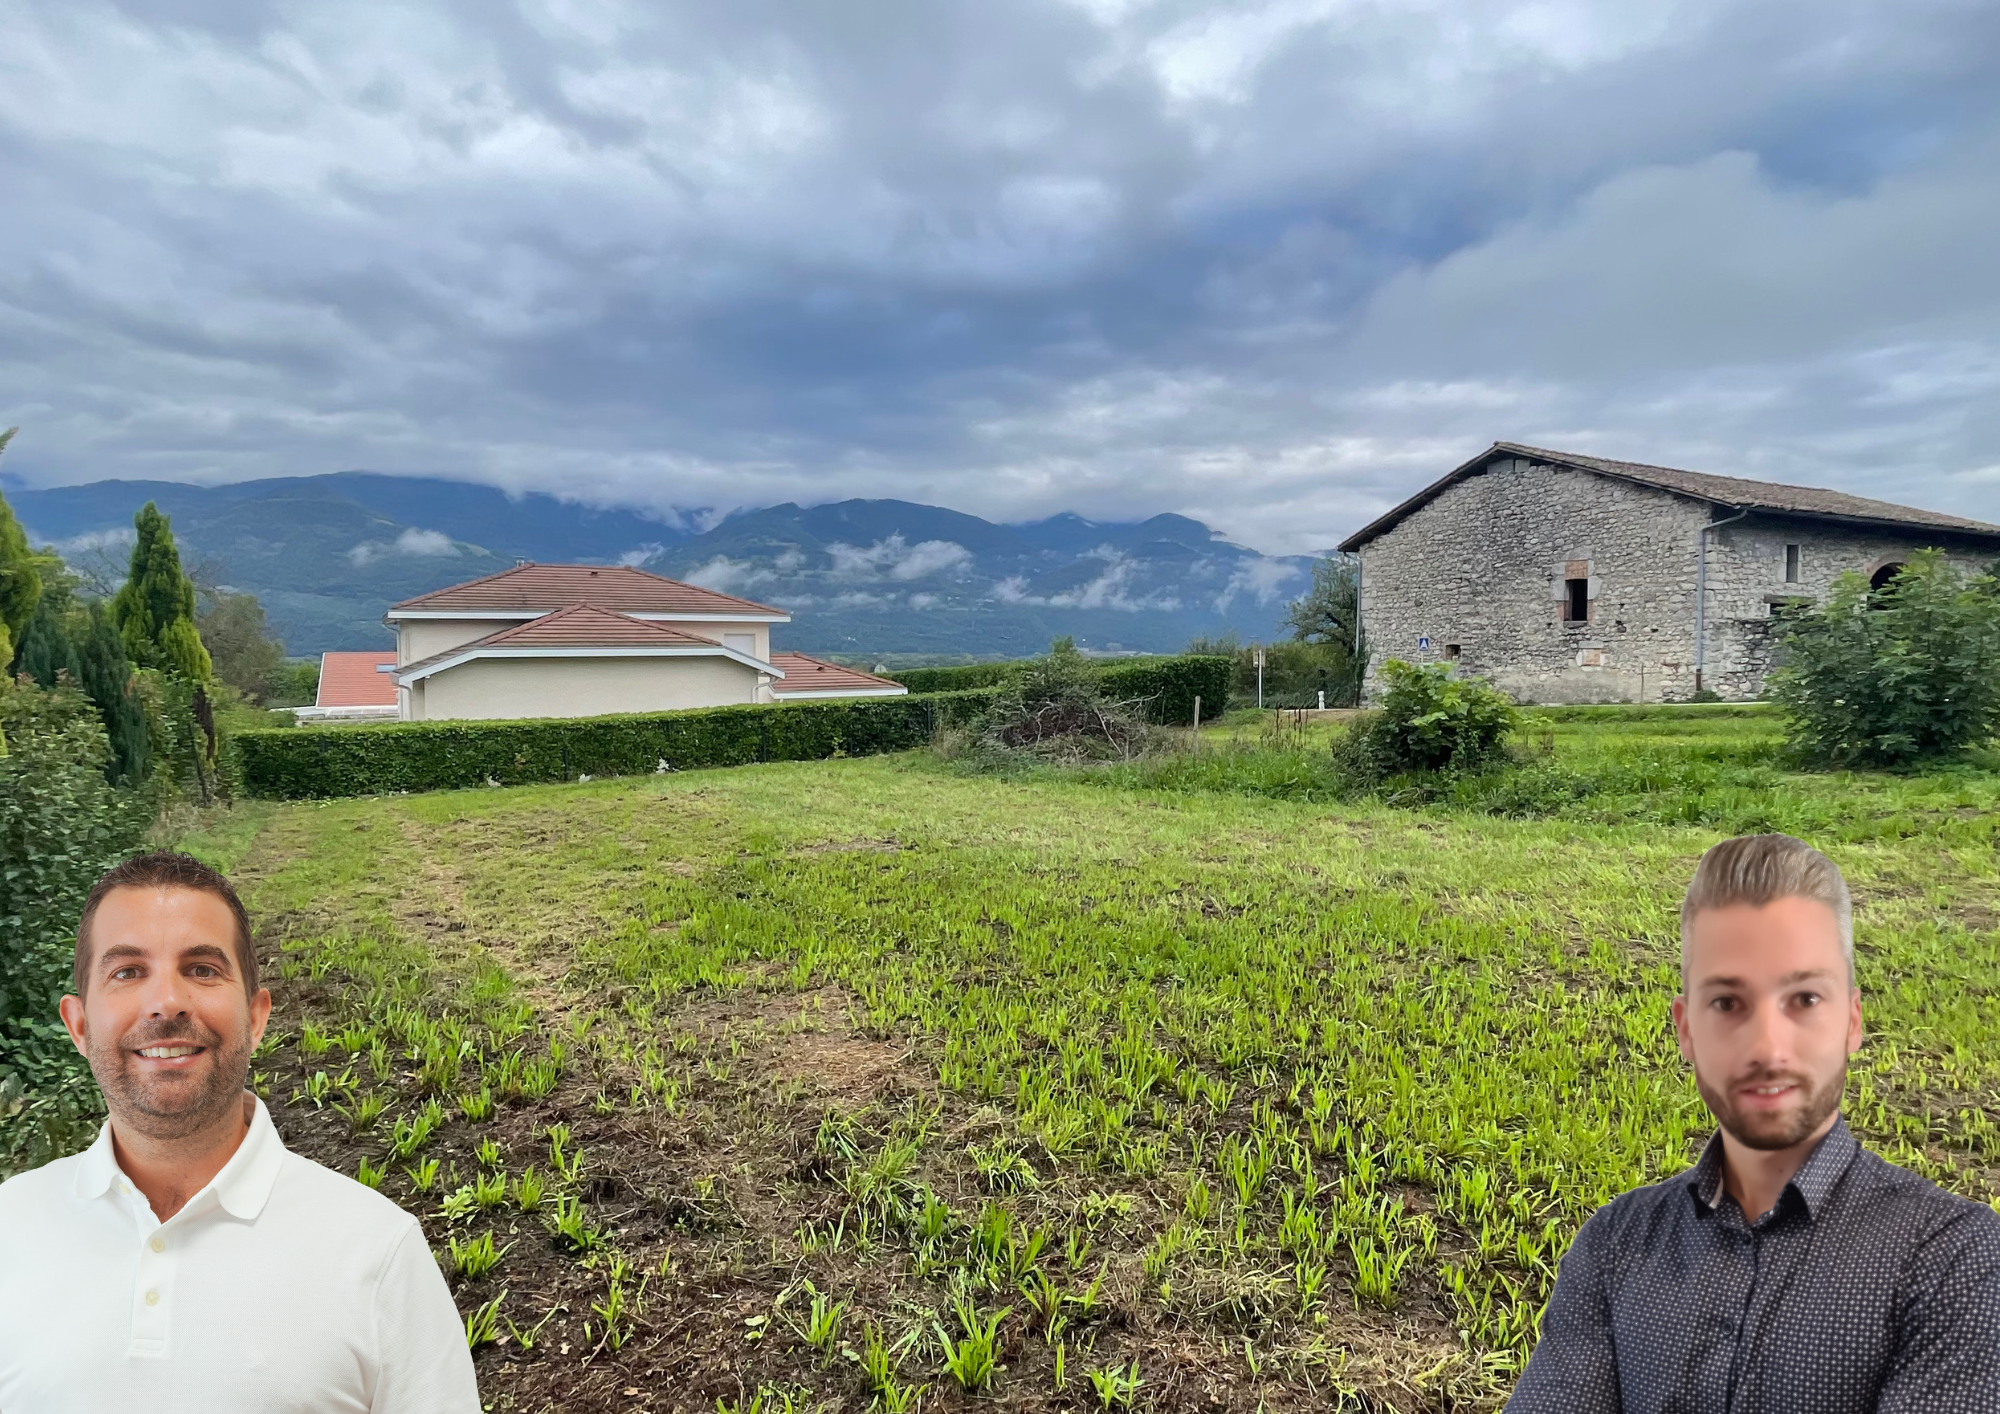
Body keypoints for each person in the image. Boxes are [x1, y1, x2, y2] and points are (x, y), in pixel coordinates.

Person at [1508, 832, 2000, 1412]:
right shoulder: (1614, 1246)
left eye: (1805, 999)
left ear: (1852, 1020)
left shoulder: (1956, 1260)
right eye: (1727, 1003)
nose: (1768, 1048)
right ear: (1686, 1029)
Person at [0, 850, 479, 1412]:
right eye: (127, 971)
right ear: (79, 1025)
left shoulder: (379, 1254)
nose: (166, 1003)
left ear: (255, 1017)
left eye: (202, 969)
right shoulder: (11, 1228)